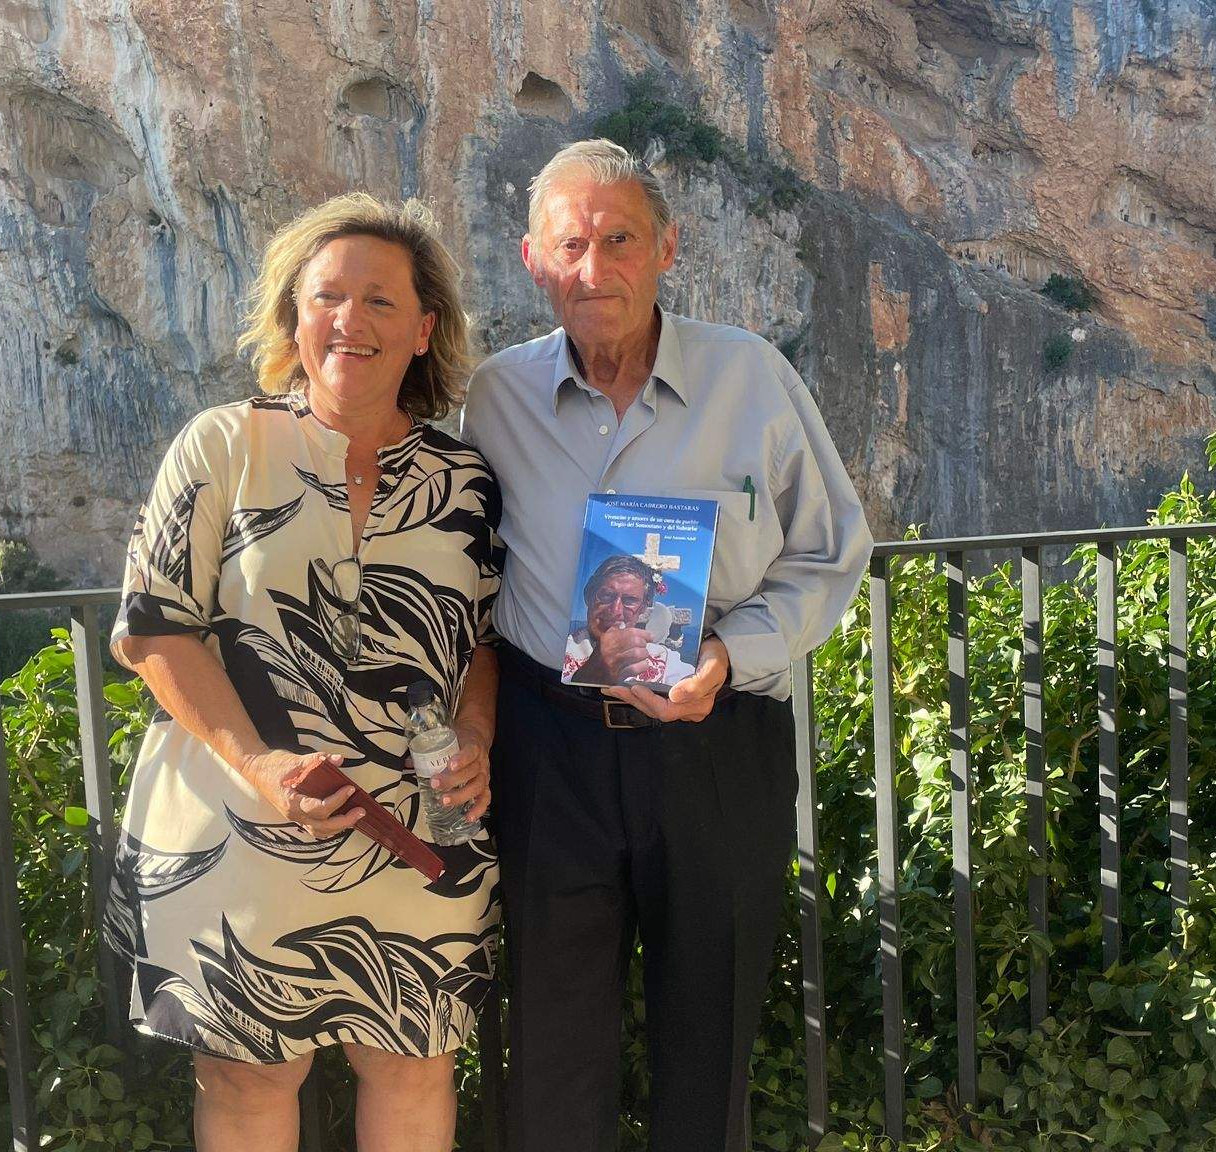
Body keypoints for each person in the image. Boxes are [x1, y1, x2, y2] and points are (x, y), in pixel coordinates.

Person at [459, 139, 873, 1152]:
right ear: (531, 259)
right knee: (551, 1038)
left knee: (709, 1028)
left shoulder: (751, 379)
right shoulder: (494, 397)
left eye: (618, 239)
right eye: (570, 244)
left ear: (665, 249)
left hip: (715, 744)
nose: (592, 268)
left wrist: (732, 656)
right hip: (547, 748)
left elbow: (832, 551)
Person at [106, 192, 501, 1152]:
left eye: (379, 301)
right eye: (327, 296)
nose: (350, 321)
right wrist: (262, 766)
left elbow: (482, 639)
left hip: (421, 824)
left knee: (414, 1065)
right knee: (246, 1078)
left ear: (424, 328)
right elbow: (153, 629)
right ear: (292, 318)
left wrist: (479, 740)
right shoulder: (222, 445)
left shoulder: (467, 479)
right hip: (241, 814)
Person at [562, 553, 694, 687]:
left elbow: (692, 686)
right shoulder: (559, 647)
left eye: (630, 600)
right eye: (606, 595)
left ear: (643, 607)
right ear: (588, 596)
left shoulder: (664, 660)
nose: (615, 611)